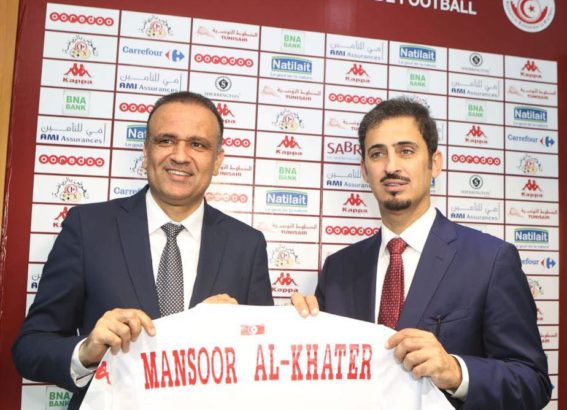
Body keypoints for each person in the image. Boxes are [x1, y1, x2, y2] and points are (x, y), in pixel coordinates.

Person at [13, 91, 273, 409]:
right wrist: (87, 351)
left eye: (197, 144)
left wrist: (252, 332)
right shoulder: (88, 227)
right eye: (166, 140)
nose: (180, 156)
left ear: (217, 160)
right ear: (146, 149)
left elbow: (264, 357)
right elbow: (31, 347)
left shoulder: (247, 244)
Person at [292, 98, 551, 409]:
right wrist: (300, 329)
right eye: (377, 154)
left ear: (435, 163)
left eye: (406, 151)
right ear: (364, 171)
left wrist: (456, 372)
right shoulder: (339, 269)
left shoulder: (491, 259)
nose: (391, 167)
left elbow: (533, 382)